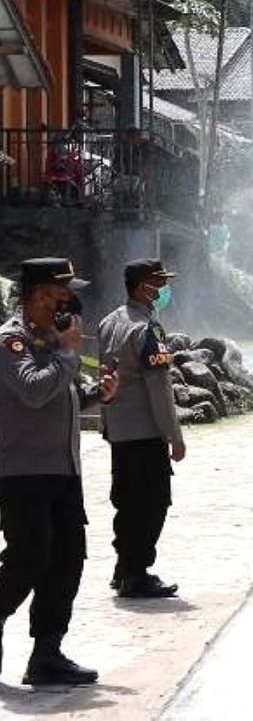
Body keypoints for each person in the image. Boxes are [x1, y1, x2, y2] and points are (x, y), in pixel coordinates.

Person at [0, 258, 116, 685]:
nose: (64, 305)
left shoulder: (50, 341)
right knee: (27, 559)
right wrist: (68, 352)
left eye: (66, 298)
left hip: (64, 470)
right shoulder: (11, 342)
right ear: (34, 296)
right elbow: (32, 391)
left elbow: (54, 401)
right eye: (56, 296)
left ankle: (46, 653)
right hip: (24, 472)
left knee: (67, 559)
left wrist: (92, 395)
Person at [98, 259, 186, 600]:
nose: (164, 289)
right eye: (159, 283)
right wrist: (174, 436)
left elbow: (107, 377)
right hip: (146, 431)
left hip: (119, 431)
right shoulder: (148, 330)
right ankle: (136, 573)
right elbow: (159, 387)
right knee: (152, 504)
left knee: (126, 501)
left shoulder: (109, 322)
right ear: (142, 287)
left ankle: (124, 568)